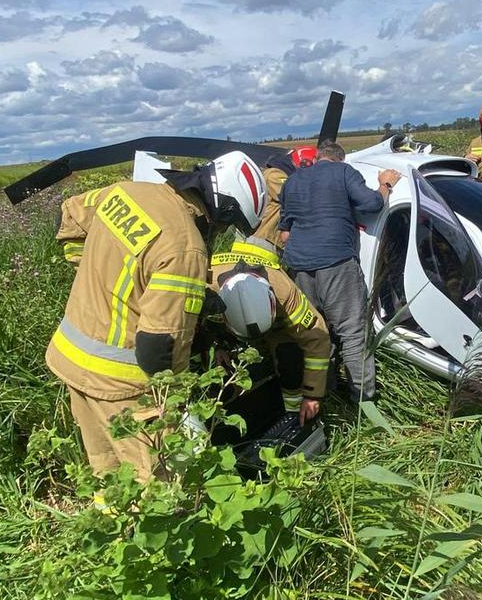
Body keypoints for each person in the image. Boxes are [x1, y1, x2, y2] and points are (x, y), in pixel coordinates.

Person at [47, 151, 266, 481]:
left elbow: (72, 217)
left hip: (71, 357)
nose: (221, 230)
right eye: (227, 223)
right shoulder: (186, 247)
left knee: (107, 472)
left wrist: (96, 274)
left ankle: (110, 529)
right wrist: (177, 405)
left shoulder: (127, 191)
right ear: (224, 207)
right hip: (120, 383)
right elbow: (156, 346)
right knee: (155, 483)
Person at [278, 140, 401, 402]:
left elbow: (285, 232)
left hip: (298, 266)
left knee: (317, 332)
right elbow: (371, 204)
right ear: (340, 159)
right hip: (336, 263)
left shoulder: (292, 181)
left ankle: (324, 393)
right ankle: (362, 401)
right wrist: (385, 185)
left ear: (319, 157)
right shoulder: (344, 172)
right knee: (353, 332)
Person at [210, 236, 331, 422]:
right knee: (216, 373)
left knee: (289, 360)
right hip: (224, 330)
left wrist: (313, 395)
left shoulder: (285, 293)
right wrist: (217, 344)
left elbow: (317, 337)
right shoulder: (205, 286)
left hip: (278, 326)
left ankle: (295, 415)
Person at [250, 146, 317, 266]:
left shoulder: (284, 176)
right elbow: (294, 198)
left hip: (270, 242)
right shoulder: (275, 175)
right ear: (305, 163)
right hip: (260, 242)